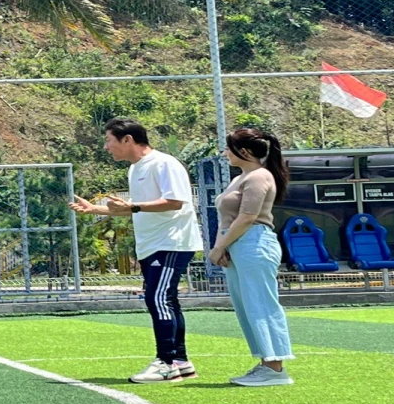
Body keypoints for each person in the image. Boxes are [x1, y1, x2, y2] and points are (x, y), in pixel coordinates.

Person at [70, 118, 203, 384]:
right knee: (166, 300)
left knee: (158, 299)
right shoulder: (135, 169)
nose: (107, 147)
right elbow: (134, 208)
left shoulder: (164, 163)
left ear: (127, 139)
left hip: (171, 243)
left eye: (109, 140)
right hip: (153, 245)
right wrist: (96, 209)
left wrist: (133, 207)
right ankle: (180, 361)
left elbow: (176, 201)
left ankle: (165, 363)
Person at [210, 128, 295, 387]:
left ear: (244, 151)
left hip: (254, 243)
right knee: (247, 305)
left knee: (261, 303)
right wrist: (221, 245)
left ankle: (275, 366)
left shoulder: (259, 176)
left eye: (229, 148)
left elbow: (247, 216)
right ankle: (265, 363)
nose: (225, 153)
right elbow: (227, 218)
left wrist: (219, 247)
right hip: (237, 243)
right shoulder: (242, 177)